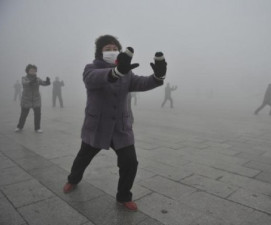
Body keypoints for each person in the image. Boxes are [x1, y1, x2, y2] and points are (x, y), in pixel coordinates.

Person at [63, 35, 167, 211]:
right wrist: (115, 72)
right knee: (83, 157)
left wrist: (157, 76)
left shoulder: (127, 72)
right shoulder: (91, 68)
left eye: (114, 48)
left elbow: (141, 82)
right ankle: (73, 179)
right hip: (97, 127)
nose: (111, 51)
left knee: (130, 163)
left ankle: (124, 196)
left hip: (120, 128)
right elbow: (93, 79)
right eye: (107, 48)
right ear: (100, 52)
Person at [15, 64, 50, 133]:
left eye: (34, 71)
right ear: (27, 71)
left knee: (38, 114)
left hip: (36, 99)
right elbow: (25, 83)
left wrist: (47, 82)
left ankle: (37, 128)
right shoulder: (24, 78)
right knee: (23, 115)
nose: (33, 72)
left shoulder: (37, 79)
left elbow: (43, 83)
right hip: (26, 99)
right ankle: (19, 127)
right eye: (31, 70)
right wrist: (30, 82)